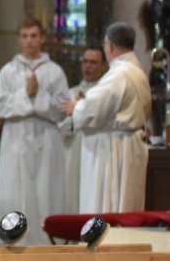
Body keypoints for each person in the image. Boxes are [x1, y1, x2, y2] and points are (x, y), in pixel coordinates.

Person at [62, 22, 152, 213]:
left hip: (115, 148)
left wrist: (77, 106)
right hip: (129, 143)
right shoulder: (137, 71)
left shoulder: (120, 73)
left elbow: (92, 109)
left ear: (110, 46)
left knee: (109, 206)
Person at [0, 19, 69, 244]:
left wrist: (37, 96)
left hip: (46, 138)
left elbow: (63, 108)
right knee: (15, 191)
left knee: (46, 191)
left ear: (42, 38)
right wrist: (25, 94)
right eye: (25, 36)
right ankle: (15, 245)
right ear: (19, 39)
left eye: (34, 36)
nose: (29, 41)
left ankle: (47, 246)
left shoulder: (55, 71)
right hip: (16, 137)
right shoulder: (8, 71)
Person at [58, 44, 107, 212]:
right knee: (73, 196)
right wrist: (75, 116)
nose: (88, 66)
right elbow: (59, 127)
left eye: (94, 62)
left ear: (104, 65)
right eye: (85, 61)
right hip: (73, 152)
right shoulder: (70, 93)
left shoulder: (105, 93)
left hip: (98, 151)